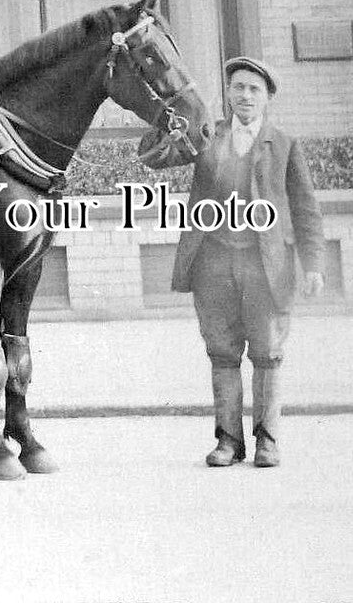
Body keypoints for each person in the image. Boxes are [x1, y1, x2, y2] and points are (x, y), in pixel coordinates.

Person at [141, 56, 325, 468]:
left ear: (267, 98)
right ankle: (228, 440)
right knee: (222, 352)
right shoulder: (208, 136)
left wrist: (313, 265)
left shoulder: (284, 144)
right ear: (227, 93)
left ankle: (267, 439)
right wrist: (168, 116)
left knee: (267, 352)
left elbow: (306, 210)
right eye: (238, 87)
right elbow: (152, 156)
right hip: (213, 264)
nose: (244, 95)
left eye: (253, 89)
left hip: (265, 266)